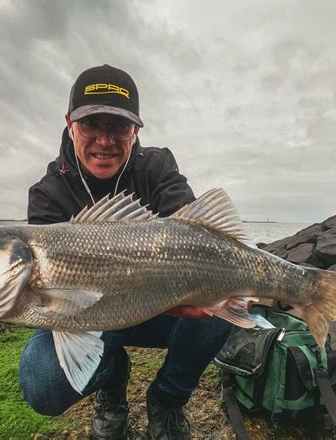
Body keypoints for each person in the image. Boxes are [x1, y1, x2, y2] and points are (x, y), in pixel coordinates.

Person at [20, 65, 233, 440]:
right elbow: (42, 292)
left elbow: (195, 238)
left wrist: (172, 293)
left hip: (156, 305)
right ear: (71, 125)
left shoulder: (157, 166)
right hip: (85, 314)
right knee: (43, 385)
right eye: (91, 125)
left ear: (135, 130)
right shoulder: (47, 193)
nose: (105, 140)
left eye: (118, 126)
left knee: (225, 301)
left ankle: (168, 398)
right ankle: (113, 386)